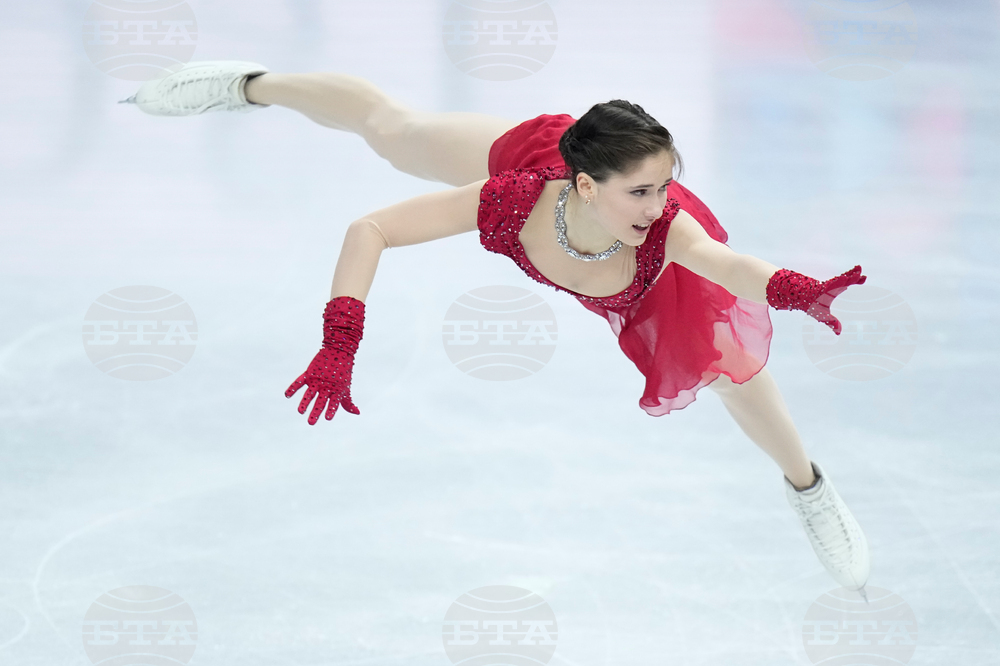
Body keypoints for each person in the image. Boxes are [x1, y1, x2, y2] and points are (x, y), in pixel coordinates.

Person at [121, 61, 874, 600]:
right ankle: (248, 84)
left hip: (651, 288)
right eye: (642, 189)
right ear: (584, 183)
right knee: (394, 130)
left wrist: (796, 288)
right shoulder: (509, 197)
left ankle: (808, 488)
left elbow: (723, 261)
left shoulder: (664, 229)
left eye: (666, 184)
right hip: (543, 172)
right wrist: (340, 340)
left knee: (724, 365)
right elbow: (373, 228)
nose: (659, 202)